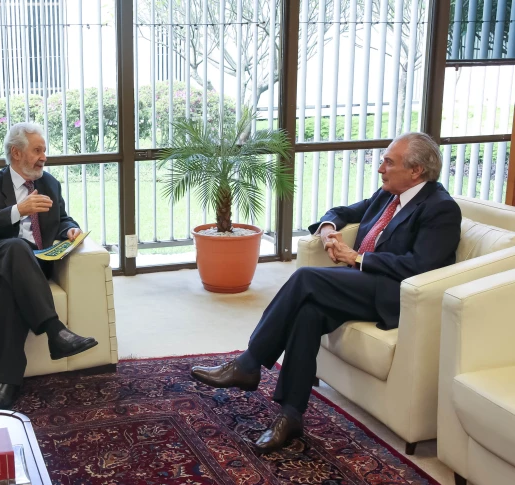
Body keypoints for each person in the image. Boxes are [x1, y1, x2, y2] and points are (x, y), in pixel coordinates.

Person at [191, 132, 462, 453]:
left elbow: (420, 266)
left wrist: (358, 258)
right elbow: (343, 211)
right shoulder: (390, 194)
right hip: (363, 285)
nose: (380, 169)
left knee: (306, 279)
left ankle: (249, 364)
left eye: (389, 162)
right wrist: (328, 230)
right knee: (309, 312)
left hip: (395, 296)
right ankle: (290, 415)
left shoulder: (440, 209)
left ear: (416, 170)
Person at [0, 122, 98, 410]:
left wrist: (70, 231)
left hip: (32, 267)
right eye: (37, 150)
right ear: (16, 153)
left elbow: (62, 217)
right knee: (16, 246)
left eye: (44, 150)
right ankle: (55, 331)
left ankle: (7, 384)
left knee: (10, 287)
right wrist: (17, 211)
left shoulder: (49, 183)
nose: (44, 157)